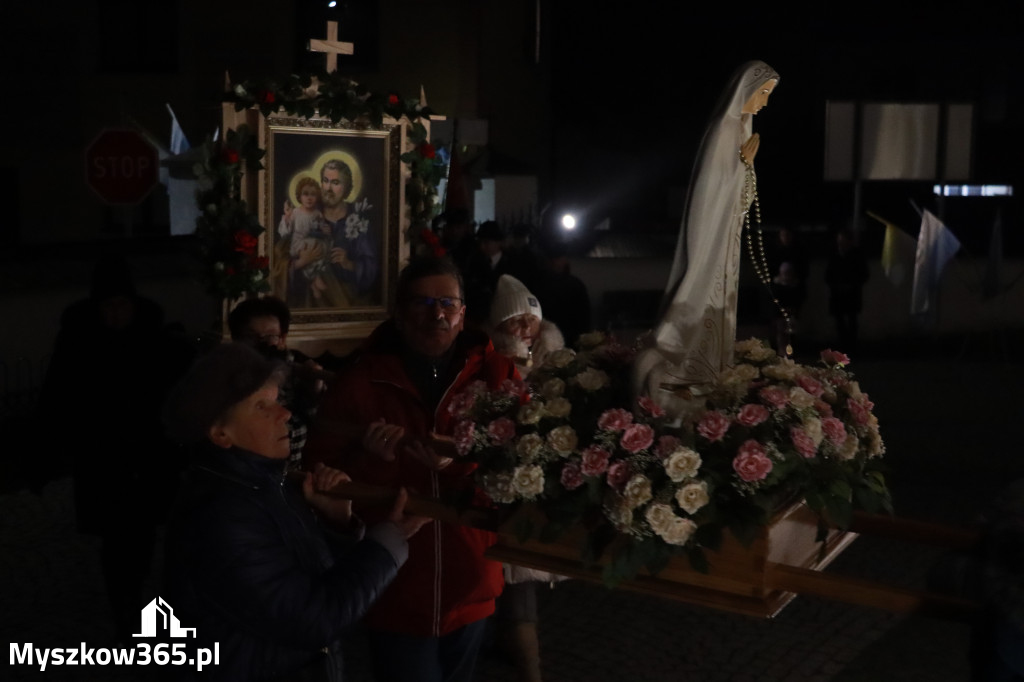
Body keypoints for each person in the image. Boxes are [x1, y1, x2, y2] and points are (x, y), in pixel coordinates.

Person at [304, 255, 518, 682]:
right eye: (421, 303)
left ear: (462, 315)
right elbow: (320, 470)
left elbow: (525, 466)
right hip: (395, 584)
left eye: (446, 302)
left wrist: (461, 459)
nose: (436, 313)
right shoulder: (361, 380)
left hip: (471, 577)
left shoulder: (498, 376)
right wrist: (370, 459)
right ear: (399, 316)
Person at [162, 342, 427, 682]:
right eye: (262, 406)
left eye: (277, 401)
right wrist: (388, 541)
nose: (285, 413)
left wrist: (337, 524)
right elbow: (314, 620)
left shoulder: (263, 482)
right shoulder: (221, 516)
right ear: (220, 433)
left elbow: (302, 578)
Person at [34, 253, 194, 641]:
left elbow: (174, 394)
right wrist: (48, 453)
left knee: (140, 534)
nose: (117, 314)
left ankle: (134, 598)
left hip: (149, 455)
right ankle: (124, 605)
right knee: (117, 536)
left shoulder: (153, 337)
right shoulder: (79, 341)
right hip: (103, 456)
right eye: (109, 306)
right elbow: (58, 398)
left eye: (123, 305)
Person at [634, 60, 779, 410]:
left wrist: (745, 171)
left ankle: (709, 374)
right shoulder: (724, 130)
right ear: (745, 91)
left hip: (725, 239)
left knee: (719, 307)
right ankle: (680, 374)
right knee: (698, 300)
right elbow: (708, 194)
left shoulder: (742, 130)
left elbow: (742, 203)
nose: (765, 102)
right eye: (763, 93)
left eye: (768, 95)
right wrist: (740, 167)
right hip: (710, 239)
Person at [485, 273, 565, 682]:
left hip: (533, 481)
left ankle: (522, 658)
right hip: (499, 482)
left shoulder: (554, 360)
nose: (524, 330)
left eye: (529, 322)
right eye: (513, 322)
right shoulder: (491, 363)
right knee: (510, 572)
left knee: (520, 571)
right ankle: (524, 662)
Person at [228, 296, 328, 470]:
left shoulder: (298, 369)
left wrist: (315, 391)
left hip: (297, 469)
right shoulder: (229, 376)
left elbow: (319, 424)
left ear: (282, 338)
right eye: (251, 337)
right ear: (237, 340)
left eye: (270, 336)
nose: (261, 343)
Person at [321, 158, 379, 304]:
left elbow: (371, 267)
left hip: (350, 299)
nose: (328, 188)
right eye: (325, 180)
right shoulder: (312, 214)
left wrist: (349, 263)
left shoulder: (358, 218)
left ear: (346, 187)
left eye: (335, 183)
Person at [278, 177, 333, 300]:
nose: (309, 198)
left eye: (313, 194)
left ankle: (313, 282)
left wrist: (324, 230)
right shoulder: (296, 213)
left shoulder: (317, 213)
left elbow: (321, 228)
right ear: (299, 196)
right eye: (305, 194)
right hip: (299, 244)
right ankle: (315, 278)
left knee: (324, 246)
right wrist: (287, 217)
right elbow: (284, 232)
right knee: (313, 245)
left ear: (317, 197)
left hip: (312, 242)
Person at [824, 229, 869, 352]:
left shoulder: (857, 255)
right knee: (840, 321)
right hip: (838, 293)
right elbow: (828, 275)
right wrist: (836, 285)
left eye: (843, 241)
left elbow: (863, 274)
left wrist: (851, 285)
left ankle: (852, 346)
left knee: (852, 320)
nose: (841, 244)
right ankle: (843, 345)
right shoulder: (834, 255)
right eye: (839, 241)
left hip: (851, 293)